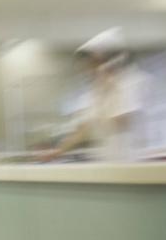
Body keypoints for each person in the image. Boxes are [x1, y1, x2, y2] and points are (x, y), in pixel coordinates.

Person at [43, 27, 147, 162]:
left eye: (93, 64)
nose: (89, 71)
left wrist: (107, 90)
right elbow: (82, 129)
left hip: (130, 160)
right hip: (106, 159)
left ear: (109, 61)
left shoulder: (132, 81)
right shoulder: (94, 92)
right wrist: (57, 151)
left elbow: (122, 122)